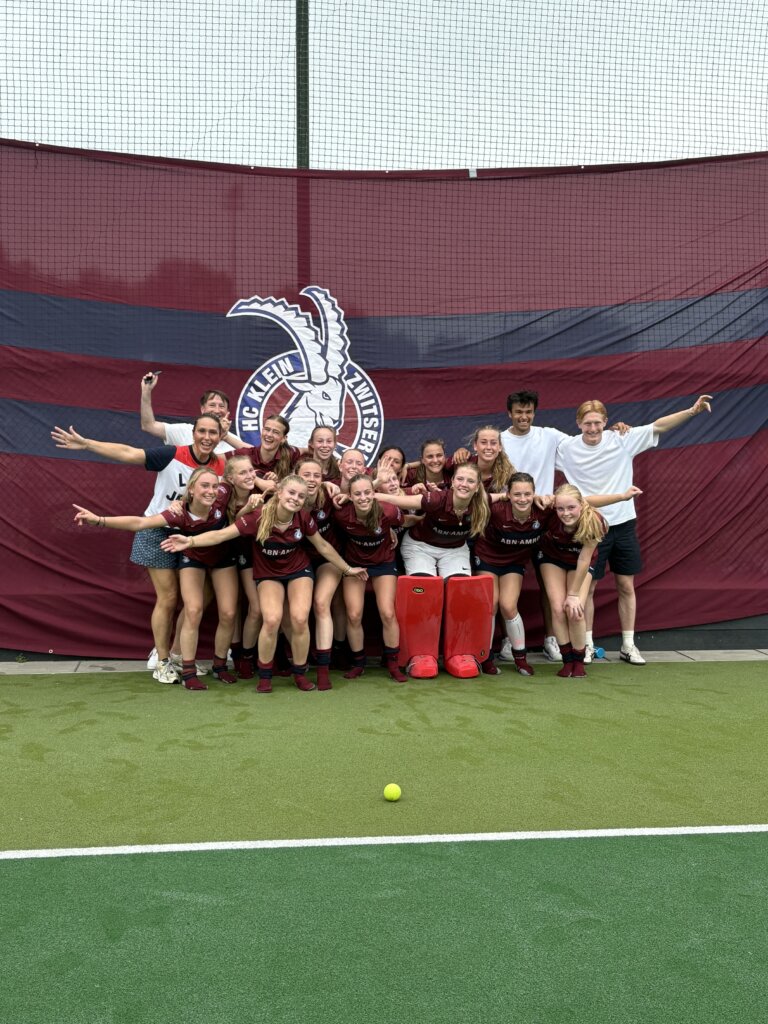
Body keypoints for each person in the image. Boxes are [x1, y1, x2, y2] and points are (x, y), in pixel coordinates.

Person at [51, 416, 226, 683]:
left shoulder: (221, 464)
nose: (207, 437)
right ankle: (163, 661)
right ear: (193, 433)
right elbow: (128, 453)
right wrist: (87, 444)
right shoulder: (171, 454)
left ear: (220, 436)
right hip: (157, 529)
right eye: (201, 431)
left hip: (193, 535)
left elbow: (249, 472)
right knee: (168, 597)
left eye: (213, 432)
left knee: (201, 598)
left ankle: (178, 654)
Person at [162, 475, 367, 693]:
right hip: (268, 573)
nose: (295, 498)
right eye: (291, 493)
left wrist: (347, 569)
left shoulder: (303, 517)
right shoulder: (257, 517)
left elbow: (323, 546)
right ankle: (265, 676)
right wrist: (190, 541)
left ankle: (300, 673)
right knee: (271, 619)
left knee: (299, 619)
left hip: (298, 570)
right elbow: (221, 535)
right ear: (279, 493)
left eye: (300, 496)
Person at [555, 394, 713, 665]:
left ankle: (628, 645)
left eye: (597, 423)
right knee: (588, 588)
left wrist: (692, 411)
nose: (593, 429)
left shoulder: (621, 439)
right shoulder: (566, 448)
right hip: (590, 526)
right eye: (587, 423)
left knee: (625, 585)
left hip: (624, 525)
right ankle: (587, 646)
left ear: (605, 422)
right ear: (578, 423)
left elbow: (658, 426)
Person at [72, 466, 238, 690]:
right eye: (204, 486)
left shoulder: (222, 495)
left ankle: (186, 658)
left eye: (214, 486)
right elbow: (140, 523)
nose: (211, 491)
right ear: (191, 489)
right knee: (181, 603)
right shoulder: (178, 512)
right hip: (188, 554)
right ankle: (169, 664)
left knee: (214, 604)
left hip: (217, 557)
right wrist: (99, 520)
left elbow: (240, 475)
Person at [536, 483, 641, 678]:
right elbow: (531, 501)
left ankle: (579, 661)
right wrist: (541, 498)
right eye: (560, 508)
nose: (566, 513)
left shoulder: (595, 521)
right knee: (558, 609)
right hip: (552, 559)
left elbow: (584, 559)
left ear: (582, 505)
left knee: (575, 610)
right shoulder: (550, 514)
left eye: (571, 507)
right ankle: (567, 661)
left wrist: (573, 594)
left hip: (579, 561)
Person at [333, 475, 417, 682]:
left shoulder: (388, 511)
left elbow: (405, 521)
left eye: (367, 492)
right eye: (357, 494)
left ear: (374, 493)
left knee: (387, 613)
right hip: (355, 565)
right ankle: (359, 663)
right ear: (350, 496)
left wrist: (396, 528)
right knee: (354, 614)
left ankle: (393, 664)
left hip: (383, 563)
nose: (363, 497)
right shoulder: (342, 514)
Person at [472, 472, 548, 676]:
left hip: (514, 562)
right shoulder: (497, 510)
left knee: (508, 605)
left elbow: (579, 502)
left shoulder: (543, 511)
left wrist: (552, 499)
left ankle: (520, 659)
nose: (522, 499)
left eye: (527, 494)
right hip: (487, 558)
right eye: (517, 494)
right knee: (491, 605)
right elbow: (473, 499)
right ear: (508, 495)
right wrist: (498, 497)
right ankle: (485, 658)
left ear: (534, 494)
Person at [374, 463, 491, 578]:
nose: (464, 484)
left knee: (458, 587)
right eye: (460, 479)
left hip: (455, 550)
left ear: (477, 487)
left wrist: (502, 496)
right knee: (424, 586)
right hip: (420, 547)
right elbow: (392, 499)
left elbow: (500, 496)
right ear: (452, 481)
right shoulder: (437, 499)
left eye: (471, 481)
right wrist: (376, 483)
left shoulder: (481, 504)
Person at [295, 457, 346, 690]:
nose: (312, 480)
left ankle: (324, 670)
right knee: (297, 612)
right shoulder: (288, 497)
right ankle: (299, 660)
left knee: (321, 603)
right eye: (306, 475)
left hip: (328, 557)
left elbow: (361, 499)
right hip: (299, 559)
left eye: (317, 475)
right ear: (296, 476)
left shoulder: (330, 494)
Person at [140, 374, 243, 453]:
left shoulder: (234, 442)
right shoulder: (185, 431)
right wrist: (146, 392)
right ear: (202, 409)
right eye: (212, 405)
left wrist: (225, 437)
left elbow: (252, 456)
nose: (217, 410)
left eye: (221, 406)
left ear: (227, 412)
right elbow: (149, 426)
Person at [231, 414, 303, 491]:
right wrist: (257, 480)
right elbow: (222, 462)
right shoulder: (246, 453)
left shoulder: (290, 454)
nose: (269, 434)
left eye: (276, 432)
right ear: (262, 431)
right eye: (267, 429)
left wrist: (277, 485)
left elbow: (309, 449)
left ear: (283, 439)